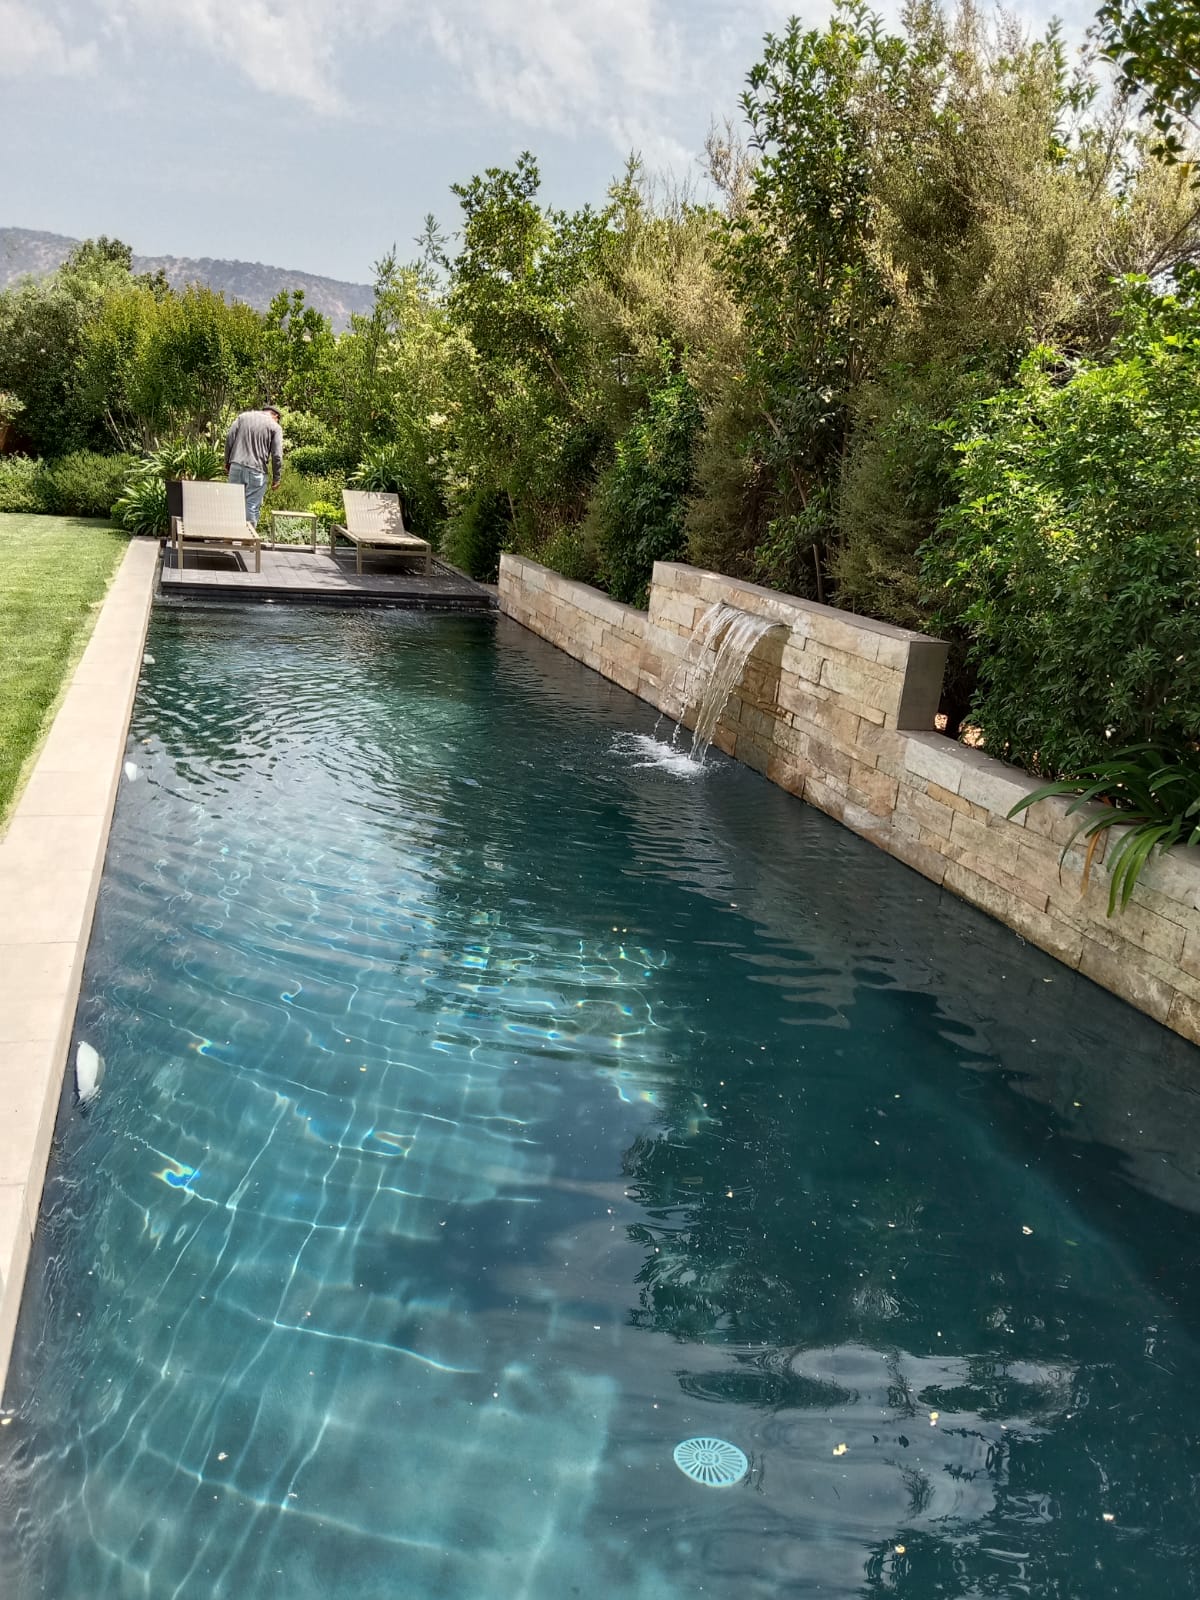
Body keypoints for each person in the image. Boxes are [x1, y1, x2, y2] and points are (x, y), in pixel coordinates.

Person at [225, 404, 283, 527]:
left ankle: (229, 538)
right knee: (251, 505)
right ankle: (248, 539)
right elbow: (277, 455)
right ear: (276, 416)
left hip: (236, 465)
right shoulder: (275, 427)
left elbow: (229, 438)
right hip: (257, 470)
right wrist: (276, 478)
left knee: (232, 504)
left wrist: (227, 462)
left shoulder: (243, 417)